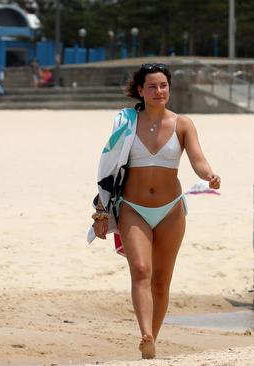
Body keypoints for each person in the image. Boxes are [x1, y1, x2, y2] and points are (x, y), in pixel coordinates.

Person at [90, 63, 221, 359]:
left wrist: (208, 175)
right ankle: (144, 332)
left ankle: (152, 342)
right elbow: (108, 168)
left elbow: (198, 159)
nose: (159, 91)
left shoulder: (183, 124)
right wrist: (101, 210)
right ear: (140, 91)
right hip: (132, 208)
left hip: (171, 210)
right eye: (152, 86)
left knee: (162, 280)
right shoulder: (125, 123)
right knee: (140, 270)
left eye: (163, 85)